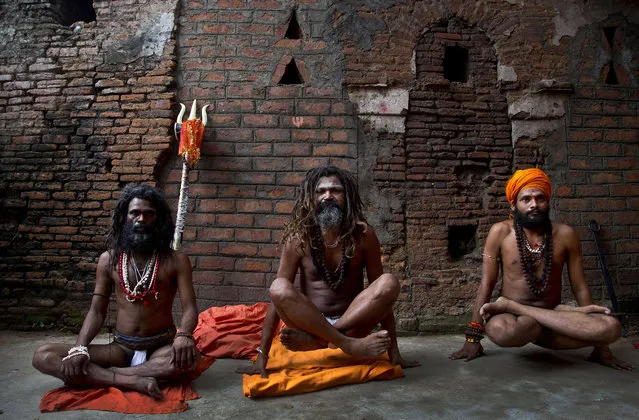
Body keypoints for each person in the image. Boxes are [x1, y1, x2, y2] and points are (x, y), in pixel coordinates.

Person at [239, 165, 419, 377]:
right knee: (278, 287)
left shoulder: (363, 235)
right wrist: (262, 355)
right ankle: (346, 345)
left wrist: (394, 352)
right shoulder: (299, 238)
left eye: (335, 190)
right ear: (310, 198)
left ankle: (322, 342)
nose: (328, 196)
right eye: (320, 191)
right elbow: (277, 300)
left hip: (353, 323)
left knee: (389, 281)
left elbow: (382, 298)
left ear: (347, 195)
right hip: (311, 323)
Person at [450, 168, 632, 370]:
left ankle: (517, 309)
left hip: (551, 313)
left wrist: (602, 348)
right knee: (500, 330)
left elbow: (580, 287)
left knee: (611, 329)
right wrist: (473, 339)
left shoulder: (565, 234)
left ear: (548, 201)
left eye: (540, 198)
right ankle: (526, 317)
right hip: (516, 321)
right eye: (525, 199)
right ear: (514, 204)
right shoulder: (500, 232)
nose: (533, 204)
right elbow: (487, 283)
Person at [32, 184, 201, 398]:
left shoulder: (177, 260)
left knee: (192, 358)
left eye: (149, 214)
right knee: (43, 355)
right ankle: (133, 380)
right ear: (125, 217)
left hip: (161, 346)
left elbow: (190, 307)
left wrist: (184, 335)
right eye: (135, 213)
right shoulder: (109, 260)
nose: (141, 219)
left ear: (158, 219)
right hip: (121, 348)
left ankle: (111, 376)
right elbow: (96, 311)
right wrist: (79, 348)